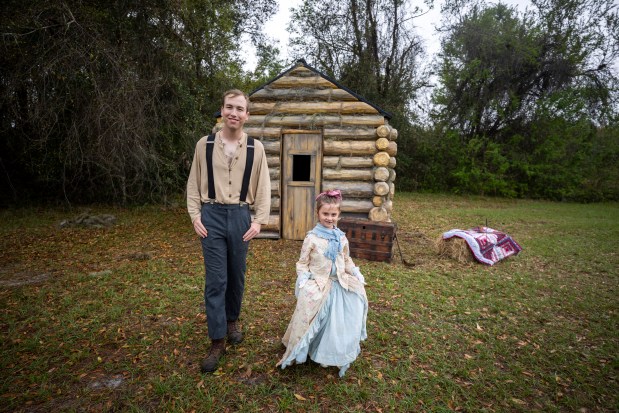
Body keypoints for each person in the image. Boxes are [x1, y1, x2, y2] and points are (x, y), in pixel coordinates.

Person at [187, 89, 271, 373]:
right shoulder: (205, 144)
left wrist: (258, 220)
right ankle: (217, 339)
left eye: (240, 108)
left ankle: (232, 319)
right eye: (229, 107)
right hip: (211, 215)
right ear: (222, 110)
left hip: (240, 216)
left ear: (247, 115)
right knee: (216, 280)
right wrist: (195, 215)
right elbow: (193, 183)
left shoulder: (255, 148)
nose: (234, 113)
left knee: (236, 274)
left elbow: (263, 186)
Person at [277, 190, 368, 377]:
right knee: (311, 312)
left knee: (344, 311)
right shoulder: (312, 238)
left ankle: (329, 351)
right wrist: (302, 277)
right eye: (325, 214)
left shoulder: (341, 237)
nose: (329, 218)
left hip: (339, 281)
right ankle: (305, 345)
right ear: (318, 213)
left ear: (339, 215)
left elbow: (346, 259)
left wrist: (355, 271)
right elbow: (303, 262)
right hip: (319, 282)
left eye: (333, 214)